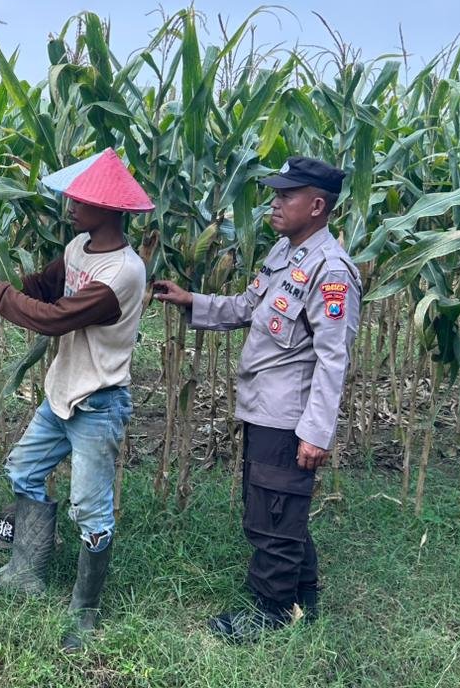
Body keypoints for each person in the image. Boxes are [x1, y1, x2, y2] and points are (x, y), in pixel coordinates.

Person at [153, 155, 361, 641]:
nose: (274, 202)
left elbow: (334, 359)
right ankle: (303, 600)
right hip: (263, 406)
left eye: (286, 195)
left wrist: (315, 433)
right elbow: (248, 306)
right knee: (276, 509)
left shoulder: (331, 272)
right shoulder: (282, 255)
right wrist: (193, 302)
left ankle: (270, 613)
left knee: (271, 517)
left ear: (315, 205)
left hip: (289, 417)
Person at [0, 148, 152, 652]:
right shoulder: (77, 249)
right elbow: (43, 290)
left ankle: (84, 611)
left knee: (91, 509)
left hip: (97, 402)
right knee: (23, 471)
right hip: (61, 393)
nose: (70, 203)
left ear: (109, 208)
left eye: (81, 198)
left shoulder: (124, 273)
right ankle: (26, 572)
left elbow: (54, 317)